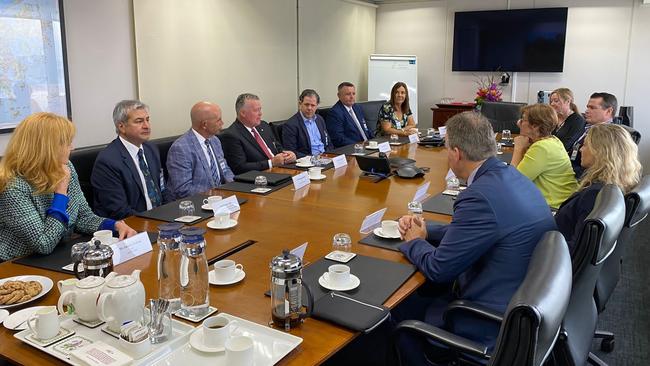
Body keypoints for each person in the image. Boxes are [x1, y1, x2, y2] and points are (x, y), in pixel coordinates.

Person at [396, 112, 556, 361]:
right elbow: (481, 230)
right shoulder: (511, 176)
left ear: (457, 153)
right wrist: (427, 231)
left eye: (448, 149)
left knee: (395, 320)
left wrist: (414, 241)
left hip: (490, 321)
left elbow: (438, 268)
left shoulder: (479, 196)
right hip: (525, 305)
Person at [0, 113, 136, 261]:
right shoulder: (13, 186)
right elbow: (43, 243)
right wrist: (60, 194)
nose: (72, 147)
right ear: (47, 147)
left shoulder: (65, 167)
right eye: (67, 142)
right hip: (16, 265)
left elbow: (82, 216)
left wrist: (114, 225)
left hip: (56, 254)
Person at [555, 124, 641, 253]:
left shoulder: (595, 194)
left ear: (600, 151)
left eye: (585, 145)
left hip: (551, 255)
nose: (580, 150)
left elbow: (574, 249)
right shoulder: (612, 187)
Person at [91, 100, 170, 220]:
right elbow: (118, 210)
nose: (146, 126)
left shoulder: (151, 149)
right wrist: (154, 222)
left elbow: (162, 189)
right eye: (139, 121)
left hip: (160, 219)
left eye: (147, 120)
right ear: (121, 126)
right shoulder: (108, 161)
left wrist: (172, 214)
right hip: (132, 226)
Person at [511, 104, 578, 208]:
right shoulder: (553, 140)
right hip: (563, 202)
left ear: (535, 126)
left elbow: (512, 183)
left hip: (552, 206)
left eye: (523, 120)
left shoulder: (541, 148)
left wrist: (518, 148)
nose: (518, 123)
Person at [167, 102, 234, 200]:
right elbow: (183, 189)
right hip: (196, 203)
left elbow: (225, 170)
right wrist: (217, 195)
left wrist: (235, 187)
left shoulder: (215, 140)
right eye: (218, 120)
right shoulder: (180, 148)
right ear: (204, 125)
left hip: (220, 199)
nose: (222, 123)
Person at [219, 93, 296, 175]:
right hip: (259, 178)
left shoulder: (264, 125)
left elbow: (277, 147)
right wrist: (271, 163)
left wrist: (288, 155)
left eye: (260, 109)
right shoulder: (231, 135)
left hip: (281, 170)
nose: (260, 113)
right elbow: (239, 168)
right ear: (243, 113)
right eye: (256, 110)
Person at [570, 92, 617, 178]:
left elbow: (595, 170)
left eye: (592, 108)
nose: (587, 111)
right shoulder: (587, 127)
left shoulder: (608, 136)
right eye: (587, 107)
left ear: (609, 111)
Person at [282, 89, 333, 158]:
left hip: (325, 157)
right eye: (306, 104)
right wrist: (314, 158)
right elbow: (291, 152)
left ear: (317, 106)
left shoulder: (320, 119)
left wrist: (331, 155)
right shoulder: (290, 125)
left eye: (313, 105)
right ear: (300, 104)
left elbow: (328, 143)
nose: (309, 108)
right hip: (308, 161)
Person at [325, 82, 373, 147]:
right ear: (339, 95)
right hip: (353, 148)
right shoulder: (334, 113)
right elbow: (338, 139)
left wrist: (375, 141)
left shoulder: (357, 107)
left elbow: (366, 128)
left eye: (353, 94)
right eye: (348, 94)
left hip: (368, 145)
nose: (352, 97)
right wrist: (359, 145)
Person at [550, 88, 586, 153]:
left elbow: (567, 144)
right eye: (551, 101)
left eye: (556, 101)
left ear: (568, 101)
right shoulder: (552, 118)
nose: (552, 104)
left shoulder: (578, 120)